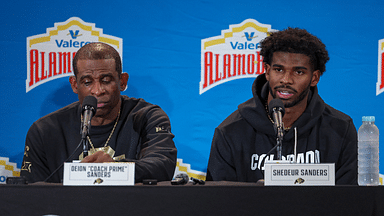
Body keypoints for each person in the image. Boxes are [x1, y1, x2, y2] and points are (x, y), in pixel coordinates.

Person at [206, 27, 357, 185]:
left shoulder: (340, 129)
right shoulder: (231, 132)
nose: (286, 80)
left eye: (298, 72)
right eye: (279, 70)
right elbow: (219, 202)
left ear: (314, 78)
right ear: (267, 71)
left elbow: (349, 201)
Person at [21, 42, 177, 183]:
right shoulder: (44, 130)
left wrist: (114, 169)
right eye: (87, 82)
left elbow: (162, 165)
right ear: (75, 85)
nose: (97, 91)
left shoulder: (147, 117)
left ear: (122, 82)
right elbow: (33, 194)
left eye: (106, 80)